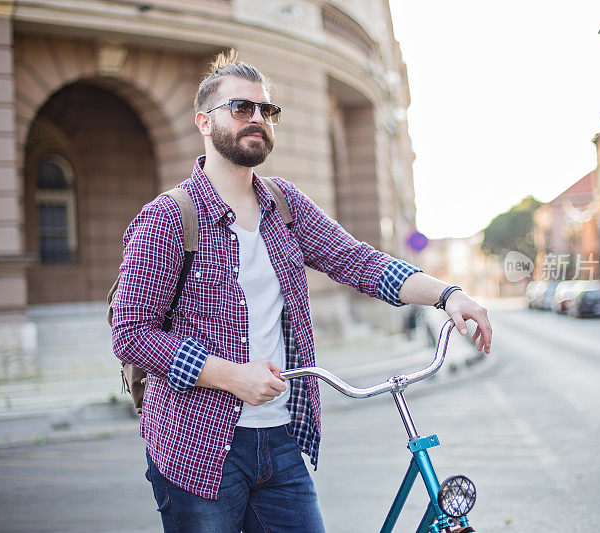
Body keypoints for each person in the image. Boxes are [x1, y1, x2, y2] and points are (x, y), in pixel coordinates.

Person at [111, 50, 492, 533]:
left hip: (281, 437)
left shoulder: (285, 204)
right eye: (241, 108)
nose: (257, 119)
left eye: (266, 111)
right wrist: (232, 376)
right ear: (203, 122)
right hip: (196, 445)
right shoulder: (167, 217)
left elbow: (360, 262)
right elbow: (130, 333)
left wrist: (448, 295)